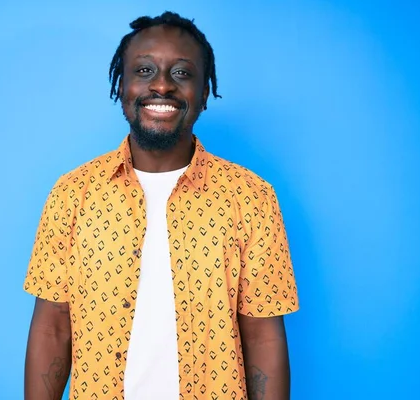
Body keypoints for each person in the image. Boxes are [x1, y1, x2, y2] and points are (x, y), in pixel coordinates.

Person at [23, 11, 299, 400]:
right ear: (122, 86)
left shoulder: (250, 198)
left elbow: (264, 337)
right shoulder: (73, 193)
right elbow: (52, 327)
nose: (163, 86)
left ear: (204, 92)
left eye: (182, 73)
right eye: (145, 70)